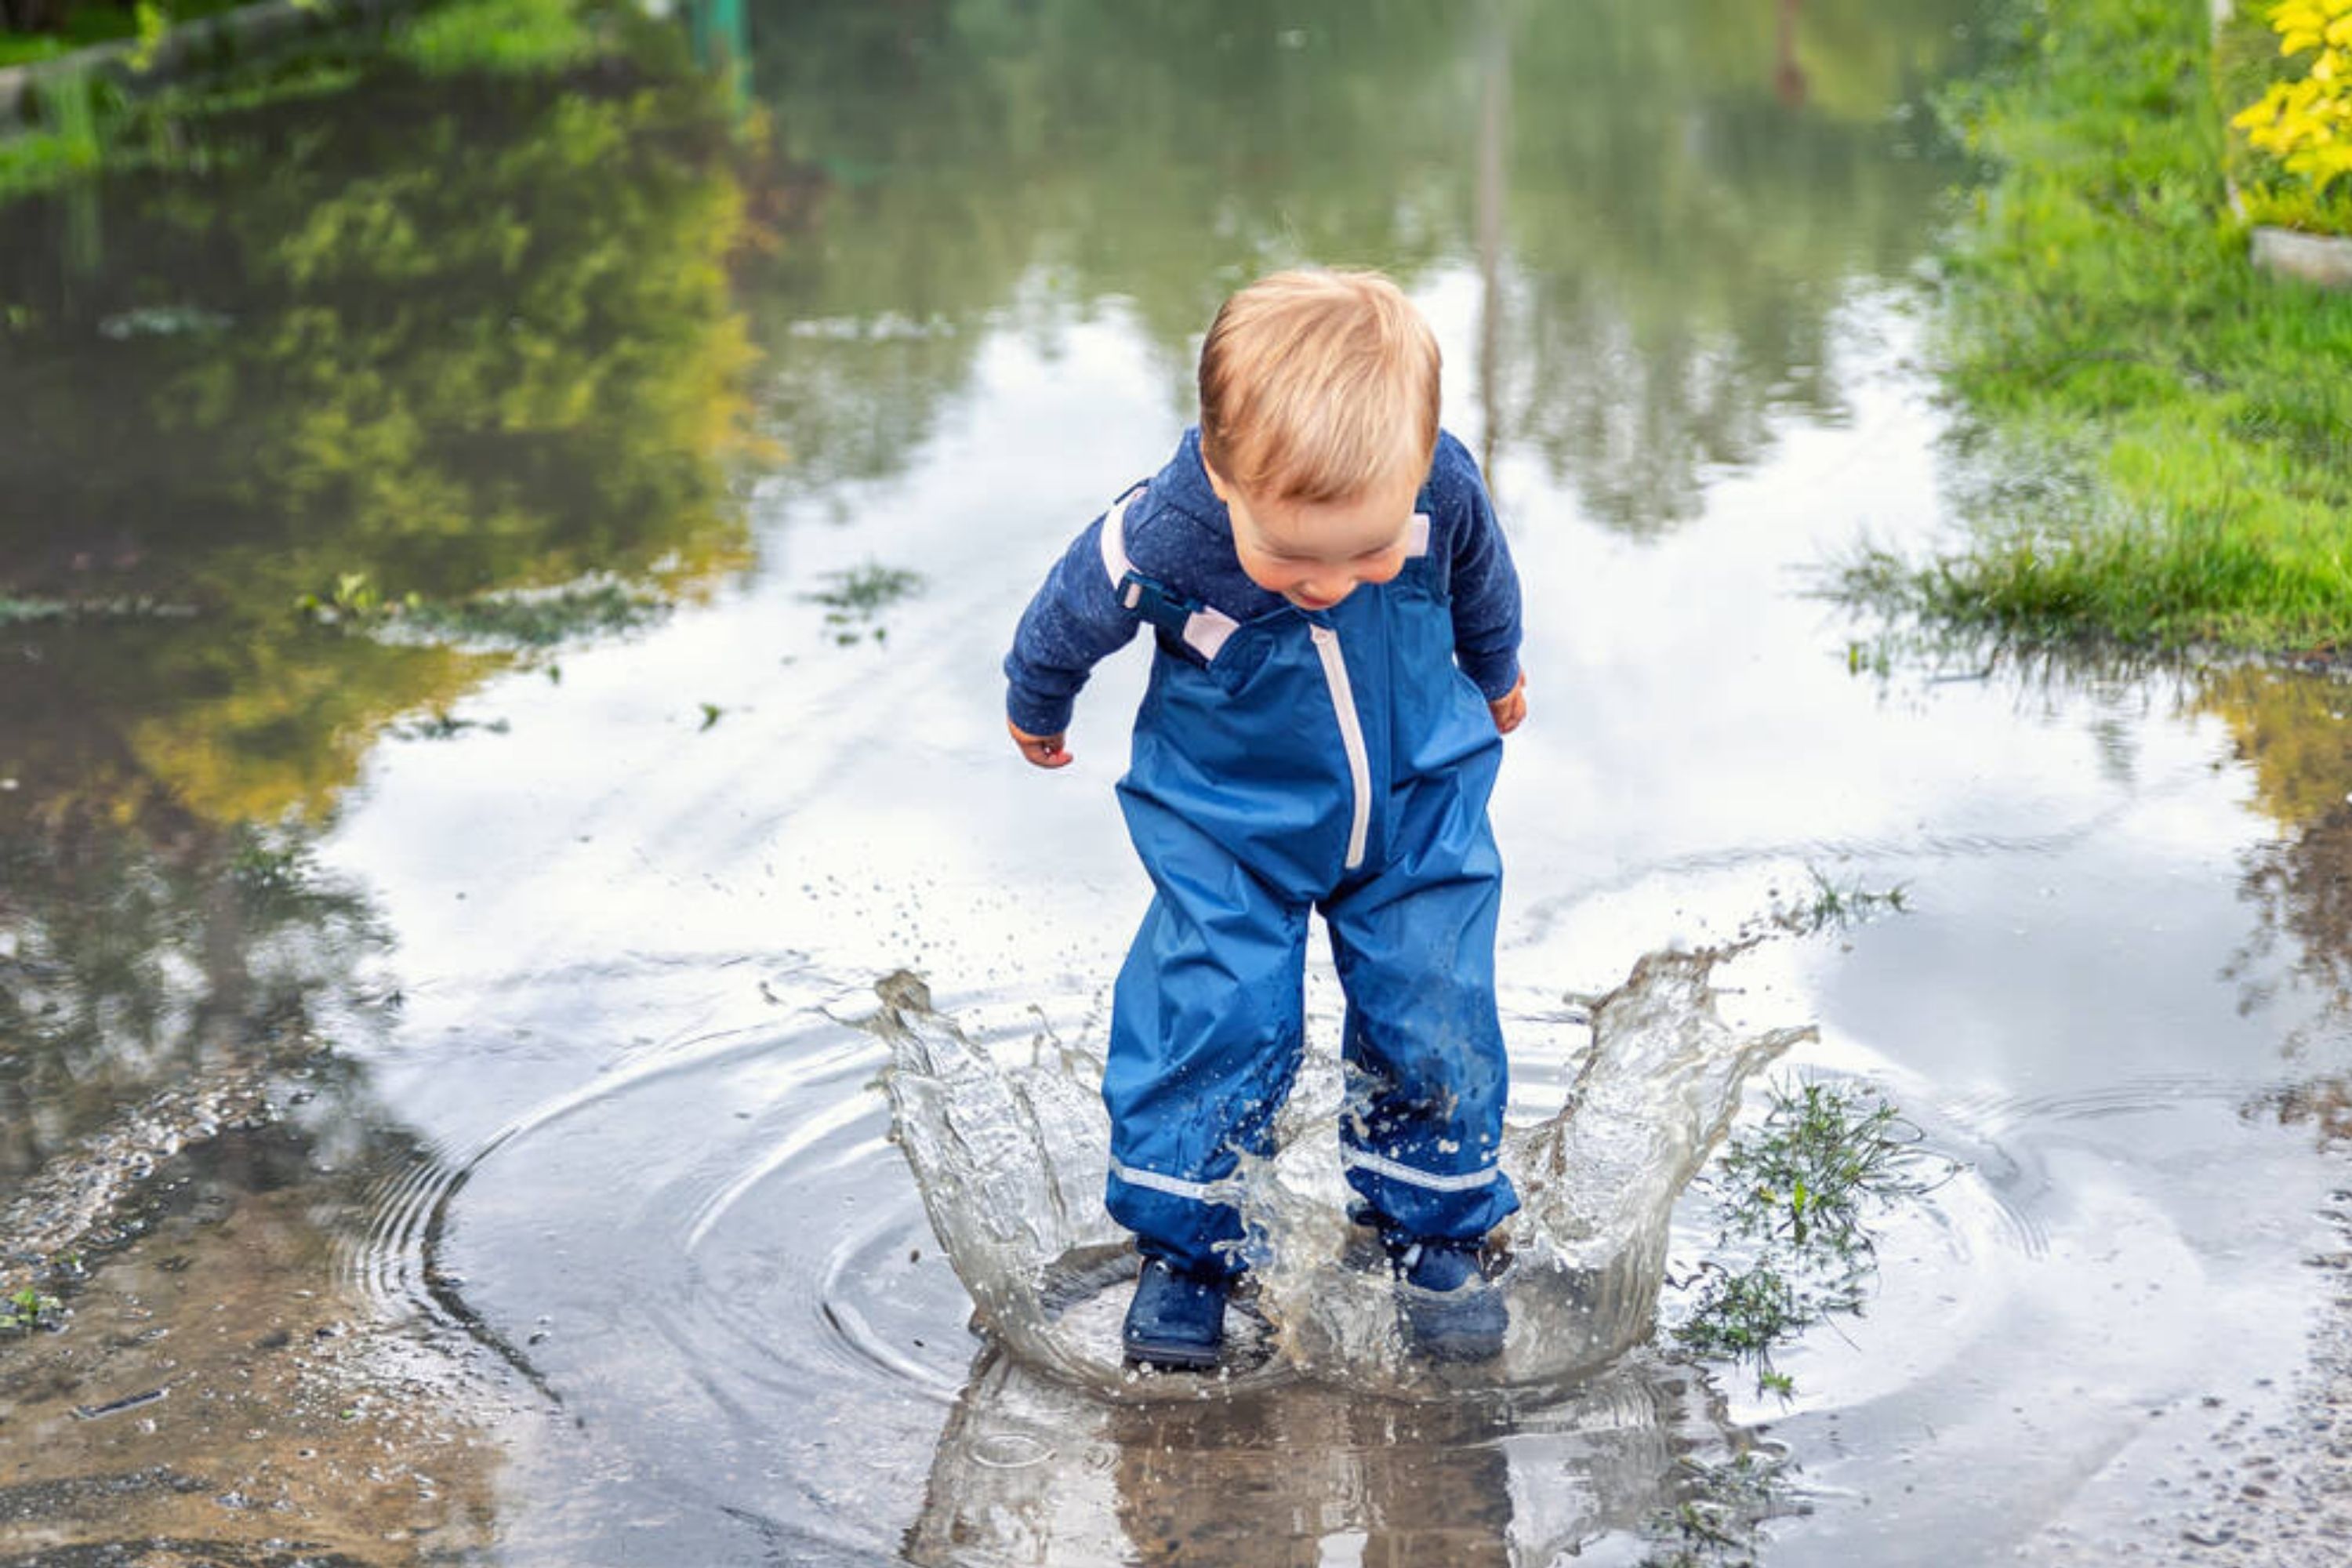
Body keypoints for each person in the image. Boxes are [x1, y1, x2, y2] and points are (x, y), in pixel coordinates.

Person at [1002, 269, 1527, 1369]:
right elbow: (1066, 614)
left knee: (1436, 1001)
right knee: (1218, 1010)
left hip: (1418, 799)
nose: (1332, 582)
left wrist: (1497, 669)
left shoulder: (1440, 485)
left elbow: (1483, 579)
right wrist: (1036, 703)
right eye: (1292, 558)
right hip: (1227, 823)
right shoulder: (1166, 535)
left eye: (1368, 553)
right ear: (1228, 477)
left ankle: (1432, 1227)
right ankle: (1189, 1251)